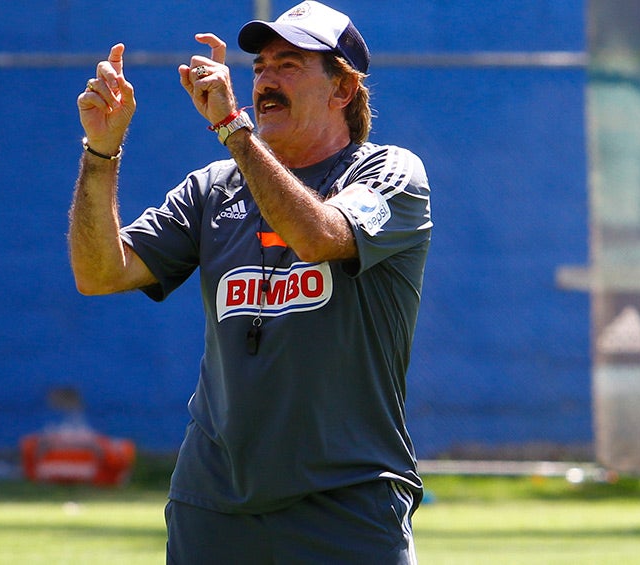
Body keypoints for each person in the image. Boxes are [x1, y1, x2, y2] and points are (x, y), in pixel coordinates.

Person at [69, 1, 432, 563]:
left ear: (342, 90)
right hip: (213, 505)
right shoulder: (213, 188)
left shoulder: (391, 174)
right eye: (260, 66)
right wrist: (101, 150)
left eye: (289, 64)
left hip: (347, 503)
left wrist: (233, 129)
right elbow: (99, 272)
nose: (265, 79)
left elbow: (319, 236)